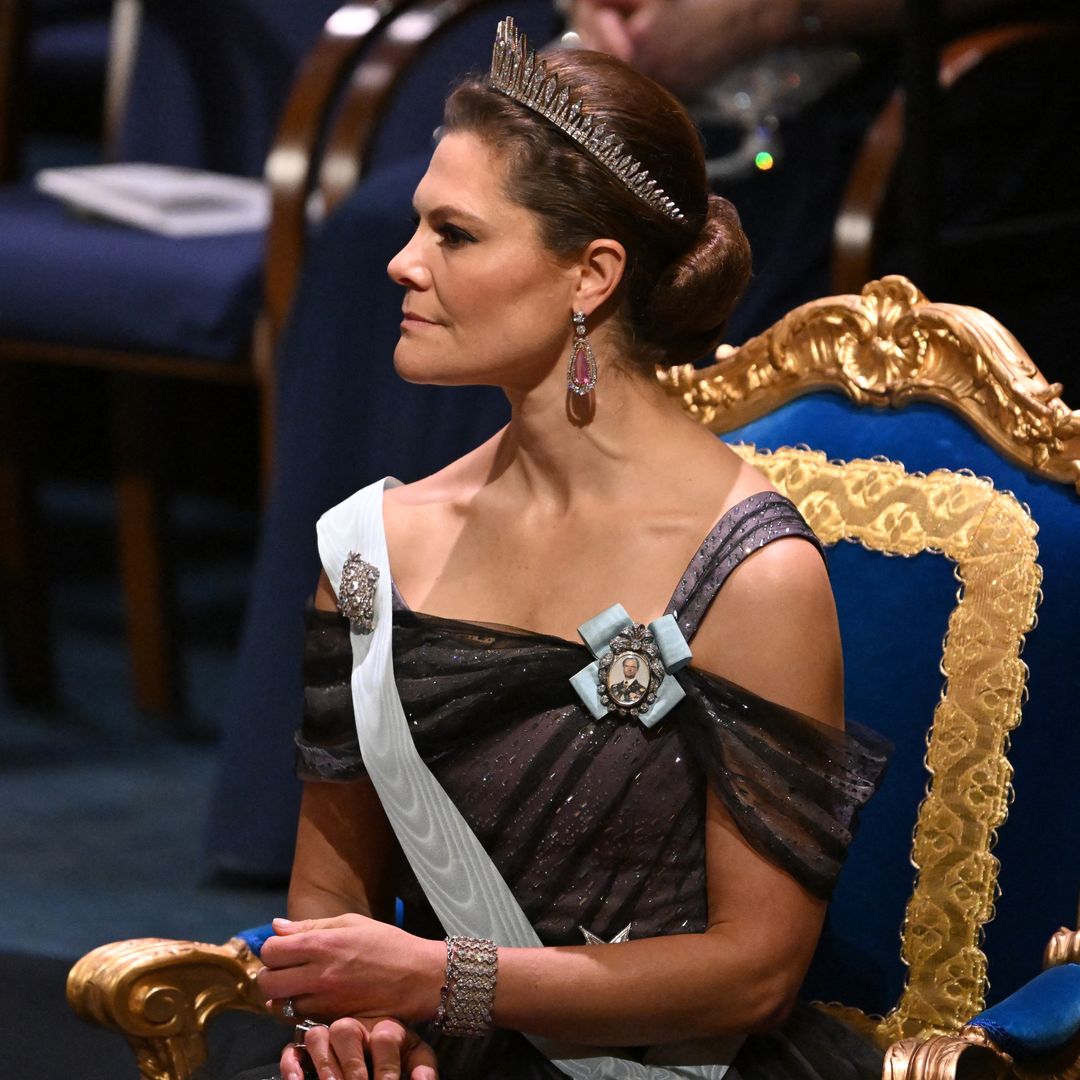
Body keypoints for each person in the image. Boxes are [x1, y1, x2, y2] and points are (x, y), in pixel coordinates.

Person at [246, 19, 890, 1080]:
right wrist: (353, 1026)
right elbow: (328, 898)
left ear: (590, 275)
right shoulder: (371, 551)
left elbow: (755, 974)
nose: (403, 262)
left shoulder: (754, 574)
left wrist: (437, 982)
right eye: (417, 225)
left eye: (454, 234)